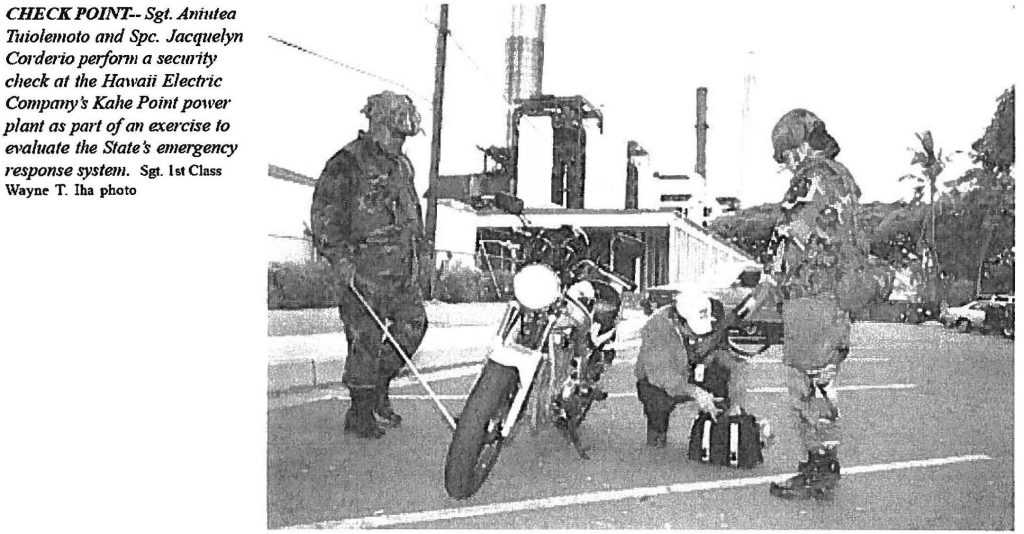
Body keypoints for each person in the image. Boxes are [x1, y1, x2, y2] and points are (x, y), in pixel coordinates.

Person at [739, 109, 883, 500]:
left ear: (801, 145)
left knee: (806, 386)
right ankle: (821, 465)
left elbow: (790, 238)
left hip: (812, 299)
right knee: (821, 383)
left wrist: (765, 288)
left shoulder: (811, 177)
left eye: (785, 154)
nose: (785, 165)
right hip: (836, 298)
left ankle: (819, 468)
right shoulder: (844, 179)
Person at [310, 91, 430, 439]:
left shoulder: (402, 165)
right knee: (365, 341)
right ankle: (360, 412)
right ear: (376, 125)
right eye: (395, 134)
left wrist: (420, 259)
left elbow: (411, 214)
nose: (400, 142)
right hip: (364, 271)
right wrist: (341, 260)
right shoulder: (347, 161)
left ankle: (378, 387)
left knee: (414, 327)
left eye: (404, 137)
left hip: (401, 271)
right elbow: (324, 215)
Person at [634, 289, 751, 448]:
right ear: (678, 320)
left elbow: (728, 360)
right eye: (693, 331)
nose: (696, 337)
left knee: (721, 374)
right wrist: (695, 392)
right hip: (659, 380)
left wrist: (735, 401)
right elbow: (662, 376)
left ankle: (720, 431)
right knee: (656, 398)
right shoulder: (657, 330)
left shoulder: (712, 313)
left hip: (691, 370)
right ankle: (656, 435)